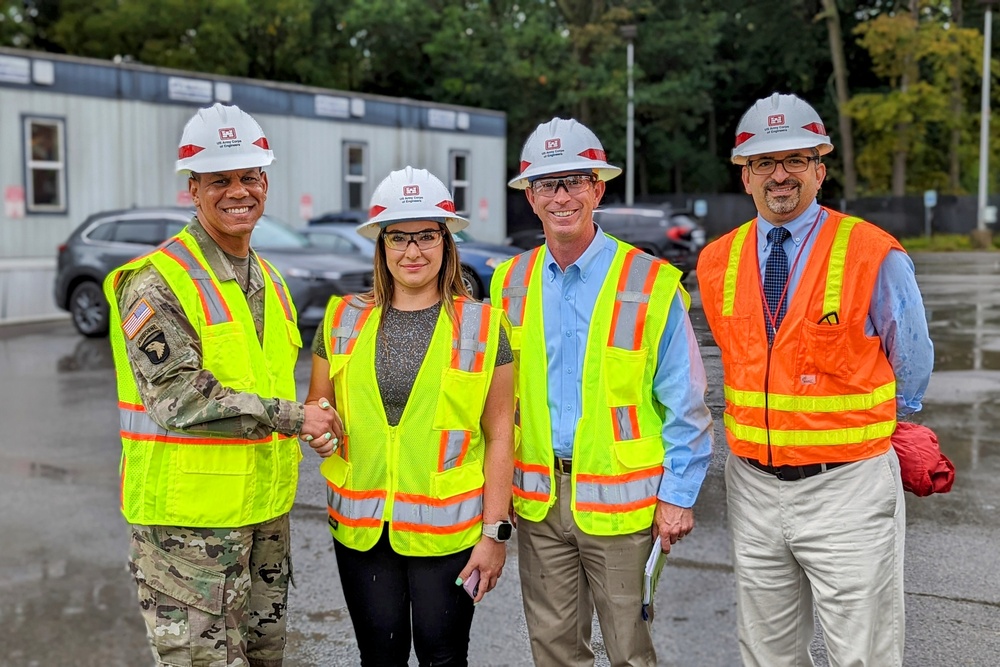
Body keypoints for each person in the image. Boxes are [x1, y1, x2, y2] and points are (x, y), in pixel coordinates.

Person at [696, 92, 934, 666]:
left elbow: (913, 364)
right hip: (752, 486)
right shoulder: (716, 261)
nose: (780, 175)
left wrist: (863, 429)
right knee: (767, 653)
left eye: (796, 160)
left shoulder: (871, 252)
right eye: (764, 164)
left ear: (820, 170)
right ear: (745, 177)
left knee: (863, 652)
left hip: (846, 485)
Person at [103, 102, 338, 667]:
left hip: (262, 521)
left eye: (249, 176)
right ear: (193, 188)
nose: (239, 191)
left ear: (266, 181)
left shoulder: (272, 281)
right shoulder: (158, 281)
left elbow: (272, 385)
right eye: (220, 180)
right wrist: (294, 417)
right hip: (188, 532)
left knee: (262, 659)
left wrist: (319, 421)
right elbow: (178, 397)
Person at [491, 118, 714, 666]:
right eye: (548, 184)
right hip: (539, 503)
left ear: (598, 188)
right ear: (531, 199)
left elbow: (686, 403)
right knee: (554, 651)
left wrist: (679, 496)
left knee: (629, 652)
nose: (562, 195)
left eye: (575, 181)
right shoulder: (508, 282)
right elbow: (495, 403)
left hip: (625, 508)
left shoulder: (649, 281)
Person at [303, 166, 515, 666]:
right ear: (381, 245)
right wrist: (319, 429)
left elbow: (501, 433)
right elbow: (318, 405)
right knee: (379, 657)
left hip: (451, 532)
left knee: (444, 658)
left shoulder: (483, 326)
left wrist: (495, 534)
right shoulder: (342, 318)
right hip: (361, 529)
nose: (412, 251)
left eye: (426, 236)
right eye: (398, 237)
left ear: (446, 241)